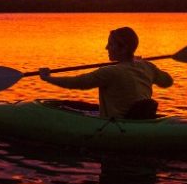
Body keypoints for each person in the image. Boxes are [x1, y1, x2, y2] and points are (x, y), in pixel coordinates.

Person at [39, 27, 173, 119]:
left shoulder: (110, 72)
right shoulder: (147, 66)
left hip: (118, 123)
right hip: (140, 118)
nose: (106, 47)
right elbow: (168, 81)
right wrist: (141, 64)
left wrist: (48, 78)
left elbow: (76, 83)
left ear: (123, 48)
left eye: (111, 44)